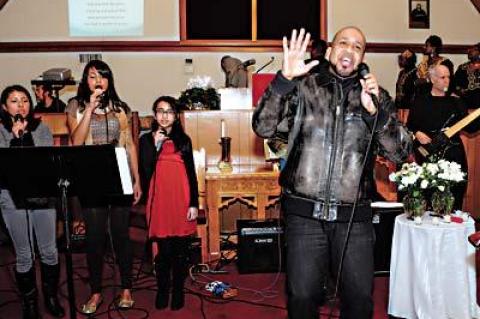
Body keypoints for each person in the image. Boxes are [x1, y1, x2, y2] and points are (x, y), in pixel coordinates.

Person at [252, 27, 412, 319]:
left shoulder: (376, 97)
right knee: (302, 297)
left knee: (360, 299)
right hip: (305, 215)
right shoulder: (303, 87)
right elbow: (263, 126)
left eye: (357, 47)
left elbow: (400, 152)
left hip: (354, 218)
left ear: (362, 57)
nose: (349, 50)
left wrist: (374, 115)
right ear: (329, 51)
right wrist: (283, 80)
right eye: (343, 43)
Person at [65, 60, 142, 314]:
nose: (98, 81)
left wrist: (137, 178)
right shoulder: (75, 106)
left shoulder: (120, 107)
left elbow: (129, 143)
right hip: (91, 177)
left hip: (119, 174)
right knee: (95, 238)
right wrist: (89, 109)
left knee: (121, 235)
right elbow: (75, 143)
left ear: (109, 81)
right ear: (85, 81)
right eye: (92, 76)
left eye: (102, 76)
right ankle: (96, 291)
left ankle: (127, 288)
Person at [0, 85, 65, 318]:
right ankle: (29, 303)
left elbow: (42, 165)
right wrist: (15, 139)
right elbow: (6, 169)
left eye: (25, 100)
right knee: (24, 253)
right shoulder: (1, 132)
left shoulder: (42, 129)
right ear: (5, 107)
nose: (21, 105)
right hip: (11, 198)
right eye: (14, 101)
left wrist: (26, 136)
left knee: (49, 251)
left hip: (42, 196)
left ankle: (50, 296)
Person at [139, 96, 198, 311]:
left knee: (180, 251)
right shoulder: (146, 140)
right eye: (160, 111)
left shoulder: (184, 140)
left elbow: (191, 174)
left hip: (180, 200)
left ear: (176, 116)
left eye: (169, 111)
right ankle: (163, 289)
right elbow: (146, 172)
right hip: (160, 201)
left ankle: (178, 290)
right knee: (163, 251)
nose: (164, 116)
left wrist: (193, 203)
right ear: (155, 115)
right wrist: (156, 146)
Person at [407, 64, 480, 210]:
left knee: (452, 197)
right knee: (426, 196)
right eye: (442, 77)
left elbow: (470, 128)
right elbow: (410, 125)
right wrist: (417, 134)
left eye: (448, 77)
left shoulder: (457, 102)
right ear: (432, 79)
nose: (447, 80)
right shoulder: (420, 101)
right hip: (426, 154)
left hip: (452, 156)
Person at [454, 43, 480, 108]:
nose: (469, 51)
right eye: (469, 49)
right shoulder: (462, 68)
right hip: (467, 101)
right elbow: (455, 83)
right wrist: (460, 89)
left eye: (474, 50)